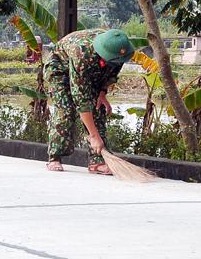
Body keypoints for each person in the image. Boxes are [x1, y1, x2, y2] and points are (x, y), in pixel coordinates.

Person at [45, 28, 135, 175]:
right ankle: (54, 157)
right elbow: (81, 101)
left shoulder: (118, 51)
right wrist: (93, 136)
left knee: (98, 109)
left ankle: (97, 161)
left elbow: (111, 73)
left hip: (92, 70)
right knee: (66, 110)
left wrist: (102, 93)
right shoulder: (82, 54)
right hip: (60, 70)